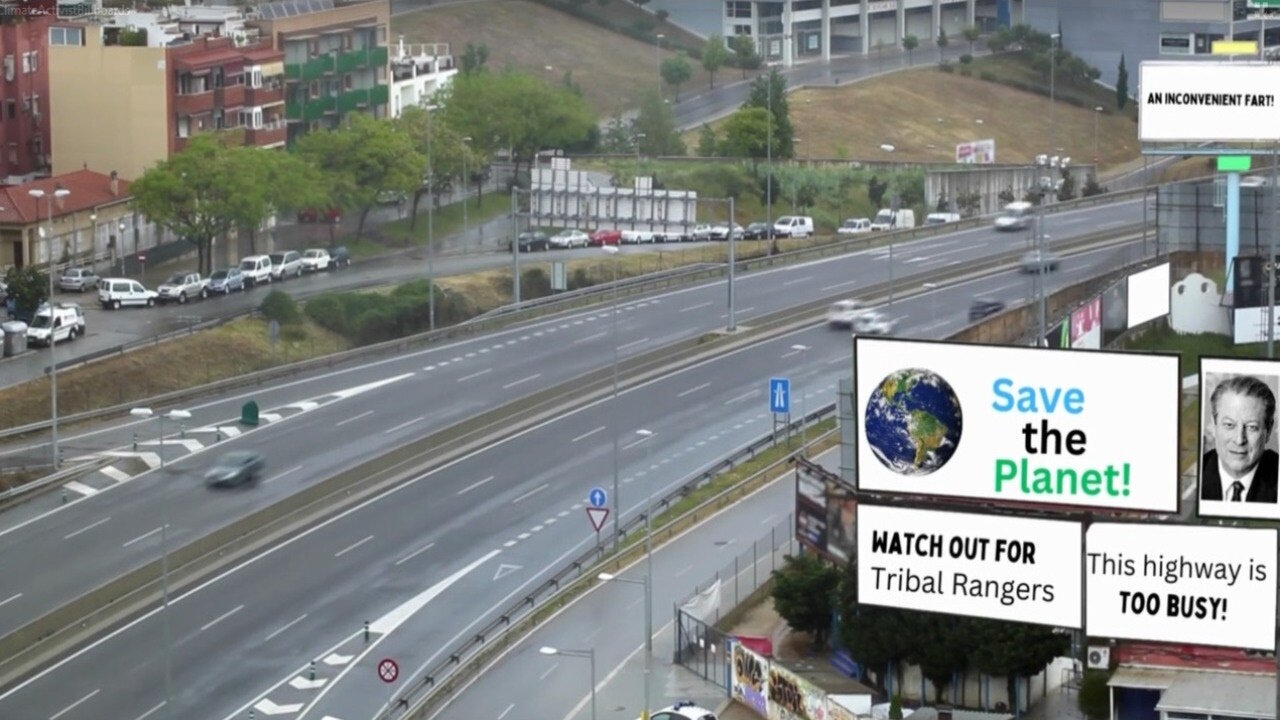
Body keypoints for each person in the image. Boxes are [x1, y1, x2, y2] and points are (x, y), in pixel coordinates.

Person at [1201, 374, 1280, 503]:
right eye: (1229, 425)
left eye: (1252, 427)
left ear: (1269, 430)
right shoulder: (1195, 472)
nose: (1239, 440)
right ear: (1214, 425)